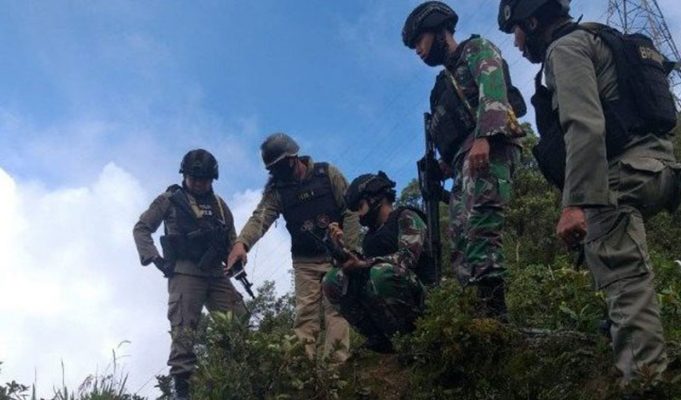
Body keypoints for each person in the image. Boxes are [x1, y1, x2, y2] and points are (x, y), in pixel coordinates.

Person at [497, 0, 680, 384]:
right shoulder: (604, 37)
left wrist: (576, 202)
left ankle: (645, 384)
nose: (516, 43)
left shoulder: (564, 49)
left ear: (532, 22)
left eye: (516, 31)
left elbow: (584, 126)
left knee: (625, 281)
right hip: (664, 169)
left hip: (623, 174)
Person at [402, 1, 526, 319]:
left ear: (438, 30)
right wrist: (439, 170)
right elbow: (454, 135)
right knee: (460, 239)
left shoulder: (476, 48)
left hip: (489, 147)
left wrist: (485, 137)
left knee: (482, 227)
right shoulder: (443, 84)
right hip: (463, 161)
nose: (418, 51)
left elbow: (493, 90)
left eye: (419, 41)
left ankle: (495, 315)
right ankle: (476, 316)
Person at [226, 132, 360, 363]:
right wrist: (242, 243)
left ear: (293, 158)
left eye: (280, 166)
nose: (277, 173)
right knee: (305, 316)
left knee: (337, 311)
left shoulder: (327, 174)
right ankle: (303, 371)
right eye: (273, 169)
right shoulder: (278, 191)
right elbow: (260, 218)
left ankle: (335, 369)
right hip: (305, 263)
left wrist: (350, 250)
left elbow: (351, 210)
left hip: (337, 257)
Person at [133, 149, 247, 400]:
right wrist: (155, 259)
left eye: (204, 179)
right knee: (183, 330)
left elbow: (231, 240)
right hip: (185, 272)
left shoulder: (220, 206)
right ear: (184, 175)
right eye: (193, 178)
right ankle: (182, 391)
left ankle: (237, 377)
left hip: (216, 273)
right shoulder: (169, 200)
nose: (198, 183)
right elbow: (141, 228)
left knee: (239, 320)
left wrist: (236, 258)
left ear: (212, 179)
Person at [322, 171, 432, 353]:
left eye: (360, 206)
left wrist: (364, 264)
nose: (359, 214)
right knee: (333, 279)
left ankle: (415, 338)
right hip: (387, 296)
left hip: (425, 298)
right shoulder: (370, 239)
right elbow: (364, 270)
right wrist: (342, 252)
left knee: (380, 273)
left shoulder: (406, 216)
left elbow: (407, 258)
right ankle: (379, 338)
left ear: (374, 198)